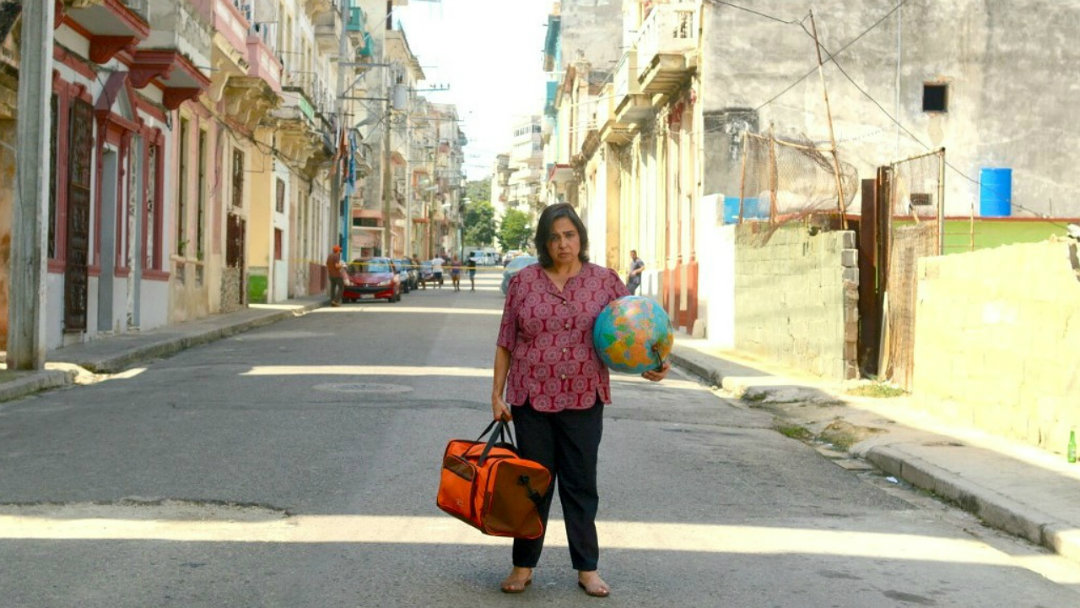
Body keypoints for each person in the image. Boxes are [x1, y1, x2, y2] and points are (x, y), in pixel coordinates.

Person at [491, 203, 670, 597]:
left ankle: (587, 569)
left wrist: (654, 362)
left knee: (581, 484)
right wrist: (496, 394)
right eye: (554, 237)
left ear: (580, 238)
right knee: (532, 486)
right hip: (531, 399)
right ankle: (523, 565)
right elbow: (506, 341)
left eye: (569, 235)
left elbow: (634, 326)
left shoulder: (604, 281)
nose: (563, 244)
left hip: (583, 398)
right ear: (543, 243)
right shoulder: (524, 283)